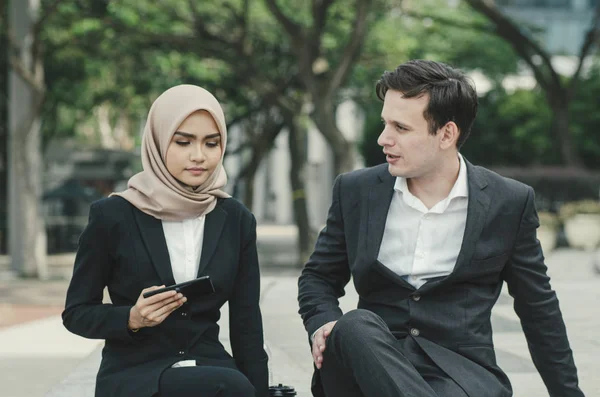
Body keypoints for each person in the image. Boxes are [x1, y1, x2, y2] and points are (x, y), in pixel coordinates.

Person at [297, 60, 584, 397]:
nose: (382, 139)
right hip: (368, 362)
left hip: (460, 375)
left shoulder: (507, 202)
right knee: (355, 325)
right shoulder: (356, 191)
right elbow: (318, 277)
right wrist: (324, 323)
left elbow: (539, 311)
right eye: (384, 123)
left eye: (400, 128)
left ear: (447, 133)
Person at [63, 85, 269, 397]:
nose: (198, 156)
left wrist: (261, 391)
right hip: (135, 374)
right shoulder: (113, 215)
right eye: (183, 142)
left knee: (233, 386)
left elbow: (247, 326)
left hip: (210, 367)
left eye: (211, 144)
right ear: (158, 141)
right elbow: (76, 313)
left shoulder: (236, 219)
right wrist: (131, 318)